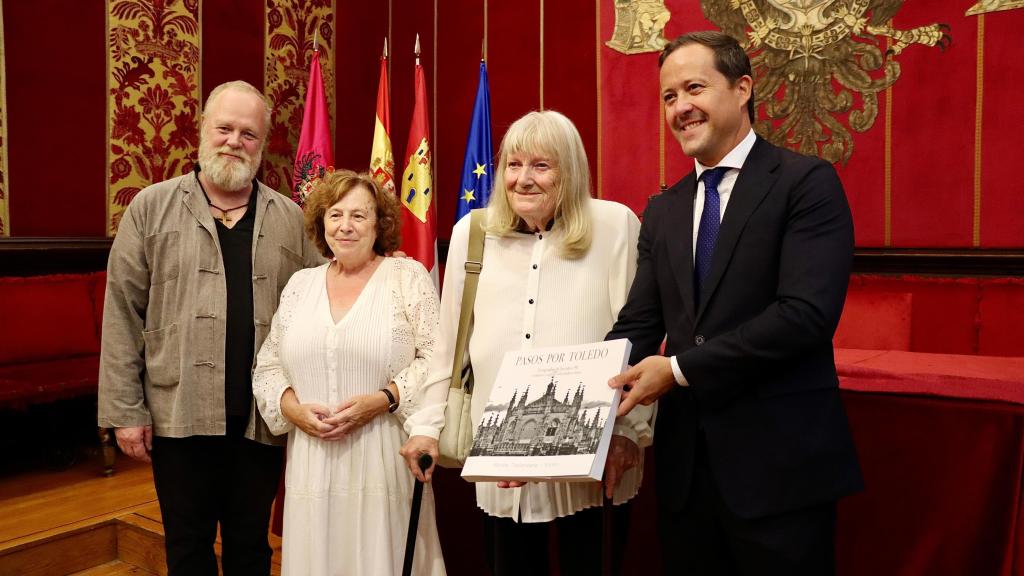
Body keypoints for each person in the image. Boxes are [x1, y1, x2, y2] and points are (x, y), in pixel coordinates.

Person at [606, 31, 863, 575]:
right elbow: (636, 327)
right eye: (669, 96)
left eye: (694, 88)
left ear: (742, 88)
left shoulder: (806, 183)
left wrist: (676, 370)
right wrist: (549, 435)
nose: (680, 107)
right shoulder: (663, 209)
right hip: (687, 479)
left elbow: (805, 316)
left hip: (782, 475)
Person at [401, 110, 654, 576]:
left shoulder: (616, 225)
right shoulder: (471, 233)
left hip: (594, 453)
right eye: (513, 165)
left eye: (542, 166)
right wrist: (426, 424)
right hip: (502, 454)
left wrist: (629, 432)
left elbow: (639, 334)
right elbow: (449, 342)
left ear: (570, 171)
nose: (523, 179)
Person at [97, 80, 322, 576]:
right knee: (187, 545)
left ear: (262, 146)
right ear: (202, 130)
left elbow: (326, 301)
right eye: (224, 128)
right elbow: (120, 313)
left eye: (249, 134)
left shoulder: (291, 219)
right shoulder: (149, 208)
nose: (234, 141)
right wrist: (124, 411)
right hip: (177, 417)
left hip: (259, 419)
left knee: (251, 546)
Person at [252, 169, 446, 576]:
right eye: (335, 214)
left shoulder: (407, 278)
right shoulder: (300, 285)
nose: (346, 226)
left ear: (380, 224)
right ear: (322, 223)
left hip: (384, 456)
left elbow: (436, 359)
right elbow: (269, 364)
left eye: (359, 215)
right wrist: (292, 410)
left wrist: (383, 399)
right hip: (312, 459)